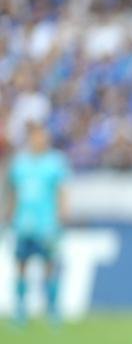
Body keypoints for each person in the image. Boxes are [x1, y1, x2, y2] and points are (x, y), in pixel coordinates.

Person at [4, 122, 70, 325]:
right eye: (36, 136)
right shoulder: (19, 164)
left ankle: (52, 311)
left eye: (42, 136)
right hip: (23, 224)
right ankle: (20, 311)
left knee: (49, 265)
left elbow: (61, 191)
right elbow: (12, 191)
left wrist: (62, 214)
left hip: (46, 225)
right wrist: (9, 213)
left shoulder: (55, 162)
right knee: (21, 265)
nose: (39, 140)